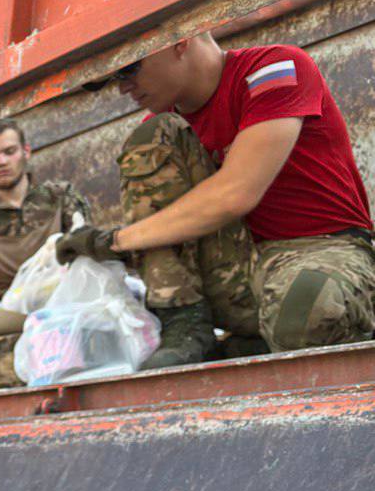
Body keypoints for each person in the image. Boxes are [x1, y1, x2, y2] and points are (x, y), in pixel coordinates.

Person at [60, 32, 375, 366]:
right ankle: (185, 324)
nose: (123, 87)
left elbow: (236, 192)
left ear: (177, 39)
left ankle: (260, 341)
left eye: (128, 69)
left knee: (307, 310)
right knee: (153, 135)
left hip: (322, 251)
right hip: (235, 271)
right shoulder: (164, 133)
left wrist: (118, 241)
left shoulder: (275, 68)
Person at [0, 118, 92, 305]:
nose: (2, 162)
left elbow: (87, 246)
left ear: (25, 152)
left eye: (9, 152)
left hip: (67, 302)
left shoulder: (60, 196)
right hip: (12, 316)